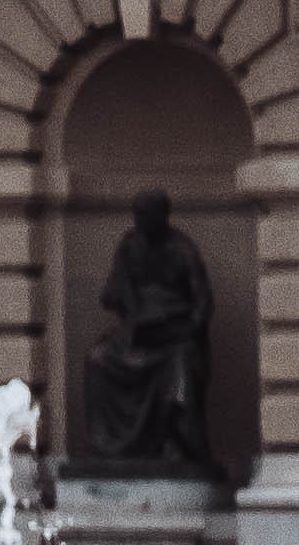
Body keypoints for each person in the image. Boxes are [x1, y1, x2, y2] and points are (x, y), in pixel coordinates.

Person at [82, 186, 218, 472]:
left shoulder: (183, 250)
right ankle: (108, 443)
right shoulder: (129, 246)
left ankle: (175, 442)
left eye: (148, 214)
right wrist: (129, 305)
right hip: (137, 336)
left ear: (164, 215)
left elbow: (203, 304)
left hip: (175, 339)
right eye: (138, 214)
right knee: (97, 359)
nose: (141, 220)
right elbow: (111, 292)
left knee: (180, 366)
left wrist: (182, 326)